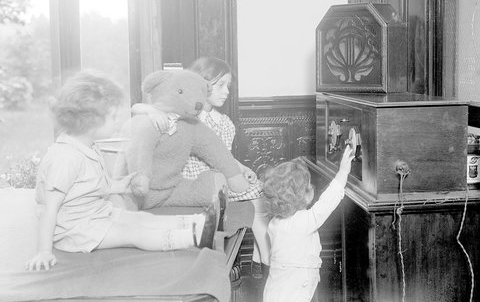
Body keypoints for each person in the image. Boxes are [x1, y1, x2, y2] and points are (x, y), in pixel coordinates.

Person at [25, 71, 217, 271]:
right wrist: (43, 251)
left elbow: (90, 185)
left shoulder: (88, 145)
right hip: (75, 231)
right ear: (91, 122)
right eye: (113, 116)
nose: (117, 121)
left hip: (94, 213)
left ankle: (198, 222)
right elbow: (50, 209)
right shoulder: (65, 158)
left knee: (141, 218)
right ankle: (192, 237)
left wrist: (118, 185)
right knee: (133, 233)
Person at [131, 56, 271, 277]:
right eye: (220, 85)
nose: (226, 91)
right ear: (203, 84)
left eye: (228, 86)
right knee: (255, 198)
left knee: (259, 192)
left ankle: (259, 255)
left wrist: (242, 167)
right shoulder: (186, 115)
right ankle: (264, 259)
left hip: (220, 170)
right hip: (195, 175)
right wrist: (151, 111)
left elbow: (222, 155)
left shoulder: (224, 122)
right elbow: (138, 107)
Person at [262, 146, 355, 302]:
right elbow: (326, 204)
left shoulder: (274, 223)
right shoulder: (302, 223)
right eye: (308, 186)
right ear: (303, 195)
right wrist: (343, 172)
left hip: (277, 287)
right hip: (295, 288)